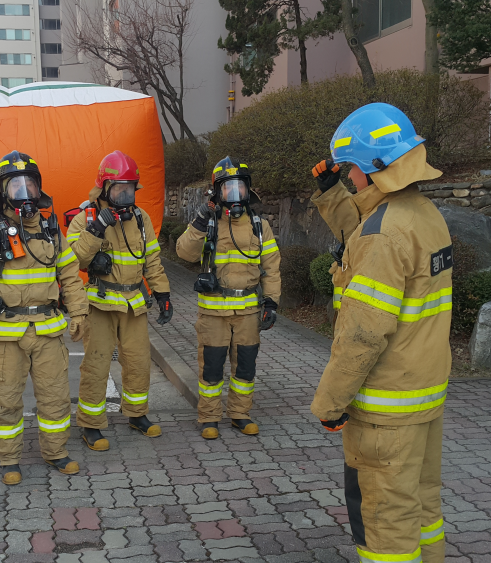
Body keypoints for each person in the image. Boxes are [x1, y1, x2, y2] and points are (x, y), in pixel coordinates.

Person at [309, 102, 450, 563]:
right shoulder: (422, 214)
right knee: (422, 510)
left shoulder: (383, 236)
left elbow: (363, 336)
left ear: (372, 169)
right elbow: (362, 227)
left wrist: (330, 402)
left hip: (383, 413)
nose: (347, 177)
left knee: (385, 525)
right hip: (423, 399)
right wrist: (330, 190)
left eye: (349, 169)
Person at [0, 150, 89, 485]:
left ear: (38, 188)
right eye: (15, 186)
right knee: (6, 401)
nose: (24, 192)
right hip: (6, 334)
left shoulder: (50, 229)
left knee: (55, 396)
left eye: (29, 184)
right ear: (4, 192)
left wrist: (79, 312)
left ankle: (56, 451)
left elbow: (70, 275)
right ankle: (9, 459)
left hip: (47, 331)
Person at [65, 150, 173, 450]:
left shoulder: (140, 219)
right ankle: (90, 424)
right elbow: (73, 259)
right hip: (99, 305)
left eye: (129, 189)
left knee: (138, 363)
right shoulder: (85, 217)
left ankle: (137, 415)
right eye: (119, 189)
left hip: (134, 305)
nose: (125, 196)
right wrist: (96, 229)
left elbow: (152, 258)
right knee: (96, 366)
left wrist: (162, 293)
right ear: (104, 188)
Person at [176, 157, 281, 439]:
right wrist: (200, 218)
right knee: (211, 368)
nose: (234, 194)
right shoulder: (208, 223)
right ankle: (208, 417)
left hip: (247, 312)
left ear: (248, 190)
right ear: (217, 192)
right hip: (213, 313)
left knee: (245, 366)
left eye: (239, 188)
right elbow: (184, 253)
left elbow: (271, 266)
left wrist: (271, 302)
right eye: (227, 189)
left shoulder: (260, 226)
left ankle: (239, 414)